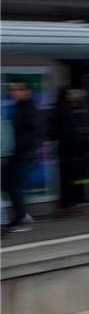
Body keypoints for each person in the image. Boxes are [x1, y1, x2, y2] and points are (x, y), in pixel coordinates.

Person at [2, 80, 39, 232]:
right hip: (14, 154)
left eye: (15, 90)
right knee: (8, 186)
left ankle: (23, 219)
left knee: (15, 187)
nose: (12, 92)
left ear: (24, 91)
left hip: (24, 154)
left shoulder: (29, 108)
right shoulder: (17, 107)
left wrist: (18, 145)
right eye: (11, 90)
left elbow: (33, 131)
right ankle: (20, 216)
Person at [51, 87, 85, 213]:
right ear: (66, 96)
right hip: (69, 147)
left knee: (64, 176)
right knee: (69, 176)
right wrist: (77, 140)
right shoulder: (66, 109)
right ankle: (69, 204)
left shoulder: (57, 108)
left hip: (61, 146)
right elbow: (68, 129)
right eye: (69, 95)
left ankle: (65, 204)